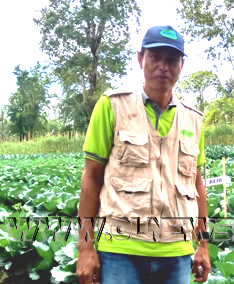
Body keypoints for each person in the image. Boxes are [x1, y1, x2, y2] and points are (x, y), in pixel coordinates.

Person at [75, 25, 211, 284]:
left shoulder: (194, 119)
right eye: (155, 57)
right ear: (140, 59)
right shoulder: (112, 106)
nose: (163, 66)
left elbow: (197, 185)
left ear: (181, 65)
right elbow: (91, 177)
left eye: (172, 59)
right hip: (120, 250)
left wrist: (203, 244)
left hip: (178, 252)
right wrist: (85, 247)